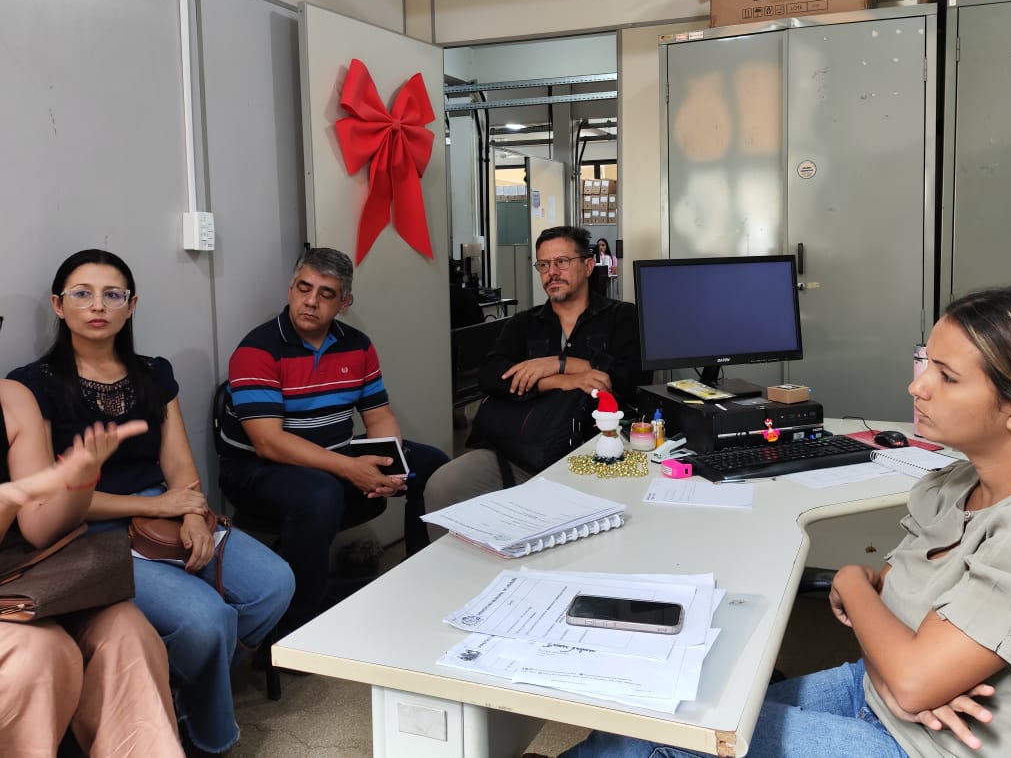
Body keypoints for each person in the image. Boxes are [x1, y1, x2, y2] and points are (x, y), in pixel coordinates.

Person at [554, 285, 1011, 758]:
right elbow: (897, 619)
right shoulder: (960, 483)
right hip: (884, 700)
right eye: (927, 363)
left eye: (947, 376)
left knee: (667, 744)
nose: (917, 386)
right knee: (658, 714)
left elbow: (905, 662)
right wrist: (901, 670)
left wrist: (849, 585)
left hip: (937, 748)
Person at [9, 249, 296, 755]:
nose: (98, 305)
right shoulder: (33, 385)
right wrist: (156, 507)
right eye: (82, 293)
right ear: (58, 305)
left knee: (274, 585)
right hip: (91, 531)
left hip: (166, 511)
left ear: (131, 304)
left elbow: (180, 464)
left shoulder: (153, 372)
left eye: (112, 294)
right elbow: (50, 502)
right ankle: (208, 736)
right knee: (206, 620)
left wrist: (193, 513)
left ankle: (182, 686)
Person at [217, 247, 449, 623]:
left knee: (432, 465)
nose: (311, 301)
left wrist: (390, 463)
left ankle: (422, 578)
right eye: (304, 288)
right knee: (319, 494)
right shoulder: (257, 350)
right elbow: (268, 442)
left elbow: (380, 416)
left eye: (326, 294)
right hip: (256, 469)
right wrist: (350, 469)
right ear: (291, 289)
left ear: (344, 303)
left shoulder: (357, 345)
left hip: (333, 455)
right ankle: (297, 623)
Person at [0, 376, 183, 757]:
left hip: (23, 575)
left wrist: (81, 479)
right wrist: (9, 499)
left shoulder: (12, 398)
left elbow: (38, 529)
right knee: (41, 652)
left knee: (127, 630)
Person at [423, 226, 644, 539]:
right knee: (443, 485)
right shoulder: (524, 324)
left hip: (594, 451)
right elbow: (491, 377)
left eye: (562, 262)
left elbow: (628, 378)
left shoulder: (622, 317)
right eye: (544, 264)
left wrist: (559, 362)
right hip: (520, 449)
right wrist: (559, 381)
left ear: (587, 265)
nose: (552, 272)